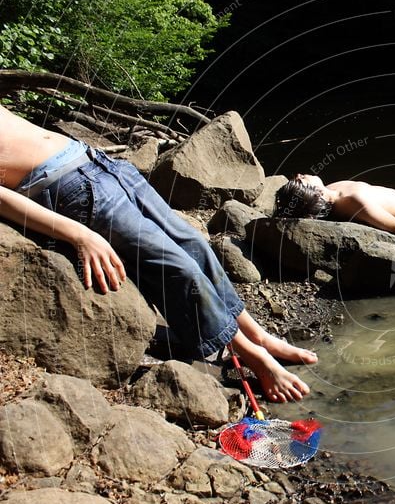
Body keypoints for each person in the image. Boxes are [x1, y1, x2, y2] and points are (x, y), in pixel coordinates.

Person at [0, 105, 315, 403]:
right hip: (69, 188)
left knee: (196, 244)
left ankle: (258, 334)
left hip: (100, 164)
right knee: (178, 268)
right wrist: (80, 235)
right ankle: (252, 355)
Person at [275, 174, 395, 249]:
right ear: (316, 193)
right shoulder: (352, 202)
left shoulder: (331, 189)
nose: (299, 174)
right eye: (301, 180)